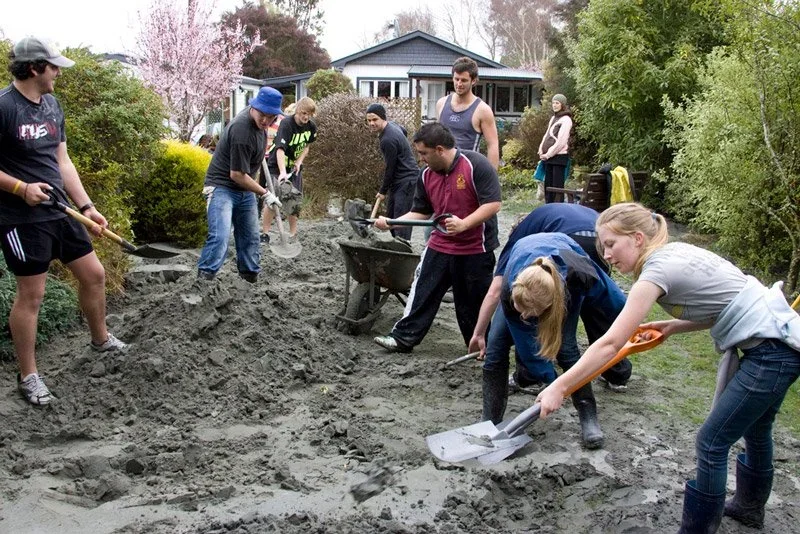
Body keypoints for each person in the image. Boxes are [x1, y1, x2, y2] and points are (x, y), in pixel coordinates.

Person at [536, 203, 800, 532]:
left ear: (636, 238)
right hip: (780, 341)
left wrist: (560, 386)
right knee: (756, 429)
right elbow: (725, 302)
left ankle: (699, 528)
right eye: (602, 246)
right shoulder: (676, 250)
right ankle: (749, 508)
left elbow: (609, 343)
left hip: (771, 351)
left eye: (610, 244)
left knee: (711, 442)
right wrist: (675, 326)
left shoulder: (655, 273)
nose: (606, 254)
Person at [0, 37, 127, 405]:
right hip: (20, 218)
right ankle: (29, 376)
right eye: (53, 66)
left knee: (95, 274)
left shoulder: (52, 106)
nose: (58, 72)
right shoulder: (5, 107)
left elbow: (62, 161)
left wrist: (86, 206)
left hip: (59, 209)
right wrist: (21, 188)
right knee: (32, 296)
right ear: (35, 67)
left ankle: (100, 340)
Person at [481, 232, 628, 448]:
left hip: (565, 273)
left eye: (530, 314)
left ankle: (589, 418)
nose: (524, 318)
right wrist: (554, 384)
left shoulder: (581, 273)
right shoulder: (512, 292)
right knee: (495, 350)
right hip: (524, 271)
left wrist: (631, 325)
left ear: (548, 308)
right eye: (522, 312)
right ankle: (490, 423)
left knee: (567, 350)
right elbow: (531, 351)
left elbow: (615, 301)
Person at [469, 203, 632, 398]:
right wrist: (630, 320)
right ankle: (616, 373)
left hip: (573, 244)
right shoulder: (546, 219)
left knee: (541, 311)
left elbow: (495, 291)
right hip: (600, 239)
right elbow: (611, 297)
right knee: (595, 310)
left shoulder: (520, 239)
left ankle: (531, 377)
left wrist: (479, 333)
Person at [372, 122, 501, 353]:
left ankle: (482, 348)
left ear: (440, 149)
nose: (421, 159)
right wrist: (392, 222)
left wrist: (464, 224)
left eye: (424, 153)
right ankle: (402, 338)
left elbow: (493, 204)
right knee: (421, 292)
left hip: (475, 249)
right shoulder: (426, 175)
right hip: (439, 245)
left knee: (472, 304)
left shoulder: (475, 165)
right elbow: (422, 211)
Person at [197, 86, 283, 283]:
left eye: (270, 117)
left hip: (244, 189)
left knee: (251, 238)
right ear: (253, 108)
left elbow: (251, 166)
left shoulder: (261, 127)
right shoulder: (241, 129)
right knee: (220, 237)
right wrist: (265, 193)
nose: (265, 120)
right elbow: (236, 174)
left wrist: (259, 189)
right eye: (262, 115)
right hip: (221, 187)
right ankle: (204, 282)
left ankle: (249, 281)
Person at [265, 97, 317, 239]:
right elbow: (280, 150)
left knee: (293, 200)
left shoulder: (311, 127)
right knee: (272, 199)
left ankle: (292, 234)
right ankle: (265, 233)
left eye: (309, 114)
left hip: (294, 168)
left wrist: (299, 162)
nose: (306, 117)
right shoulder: (286, 124)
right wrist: (282, 173)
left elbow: (307, 147)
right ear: (298, 111)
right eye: (303, 113)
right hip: (277, 165)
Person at [365, 103, 419, 240]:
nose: (371, 123)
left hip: (407, 179)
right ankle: (395, 245)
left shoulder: (387, 140)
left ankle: (404, 248)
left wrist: (382, 191)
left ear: (383, 118)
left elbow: (391, 168)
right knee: (391, 216)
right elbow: (404, 130)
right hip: (398, 180)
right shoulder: (393, 126)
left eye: (375, 120)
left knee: (401, 221)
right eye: (369, 120)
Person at [436, 57, 499, 169]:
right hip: (442, 170)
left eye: (464, 80)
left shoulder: (482, 110)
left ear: (473, 81)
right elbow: (436, 138)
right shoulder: (441, 103)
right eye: (456, 79)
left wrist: (491, 180)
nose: (459, 84)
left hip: (467, 173)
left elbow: (492, 145)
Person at [259, 102, 295, 244]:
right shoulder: (274, 121)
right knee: (263, 191)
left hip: (278, 162)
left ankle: (290, 233)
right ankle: (263, 230)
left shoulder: (293, 128)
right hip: (265, 158)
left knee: (283, 196)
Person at [538, 94, 573, 203]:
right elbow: (547, 135)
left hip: (559, 157)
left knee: (557, 188)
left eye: (557, 103)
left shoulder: (566, 120)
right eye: (553, 103)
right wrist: (540, 149)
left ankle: (557, 209)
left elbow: (561, 142)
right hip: (548, 158)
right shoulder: (554, 118)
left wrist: (548, 154)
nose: (555, 105)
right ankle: (548, 208)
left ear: (562, 105)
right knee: (548, 186)